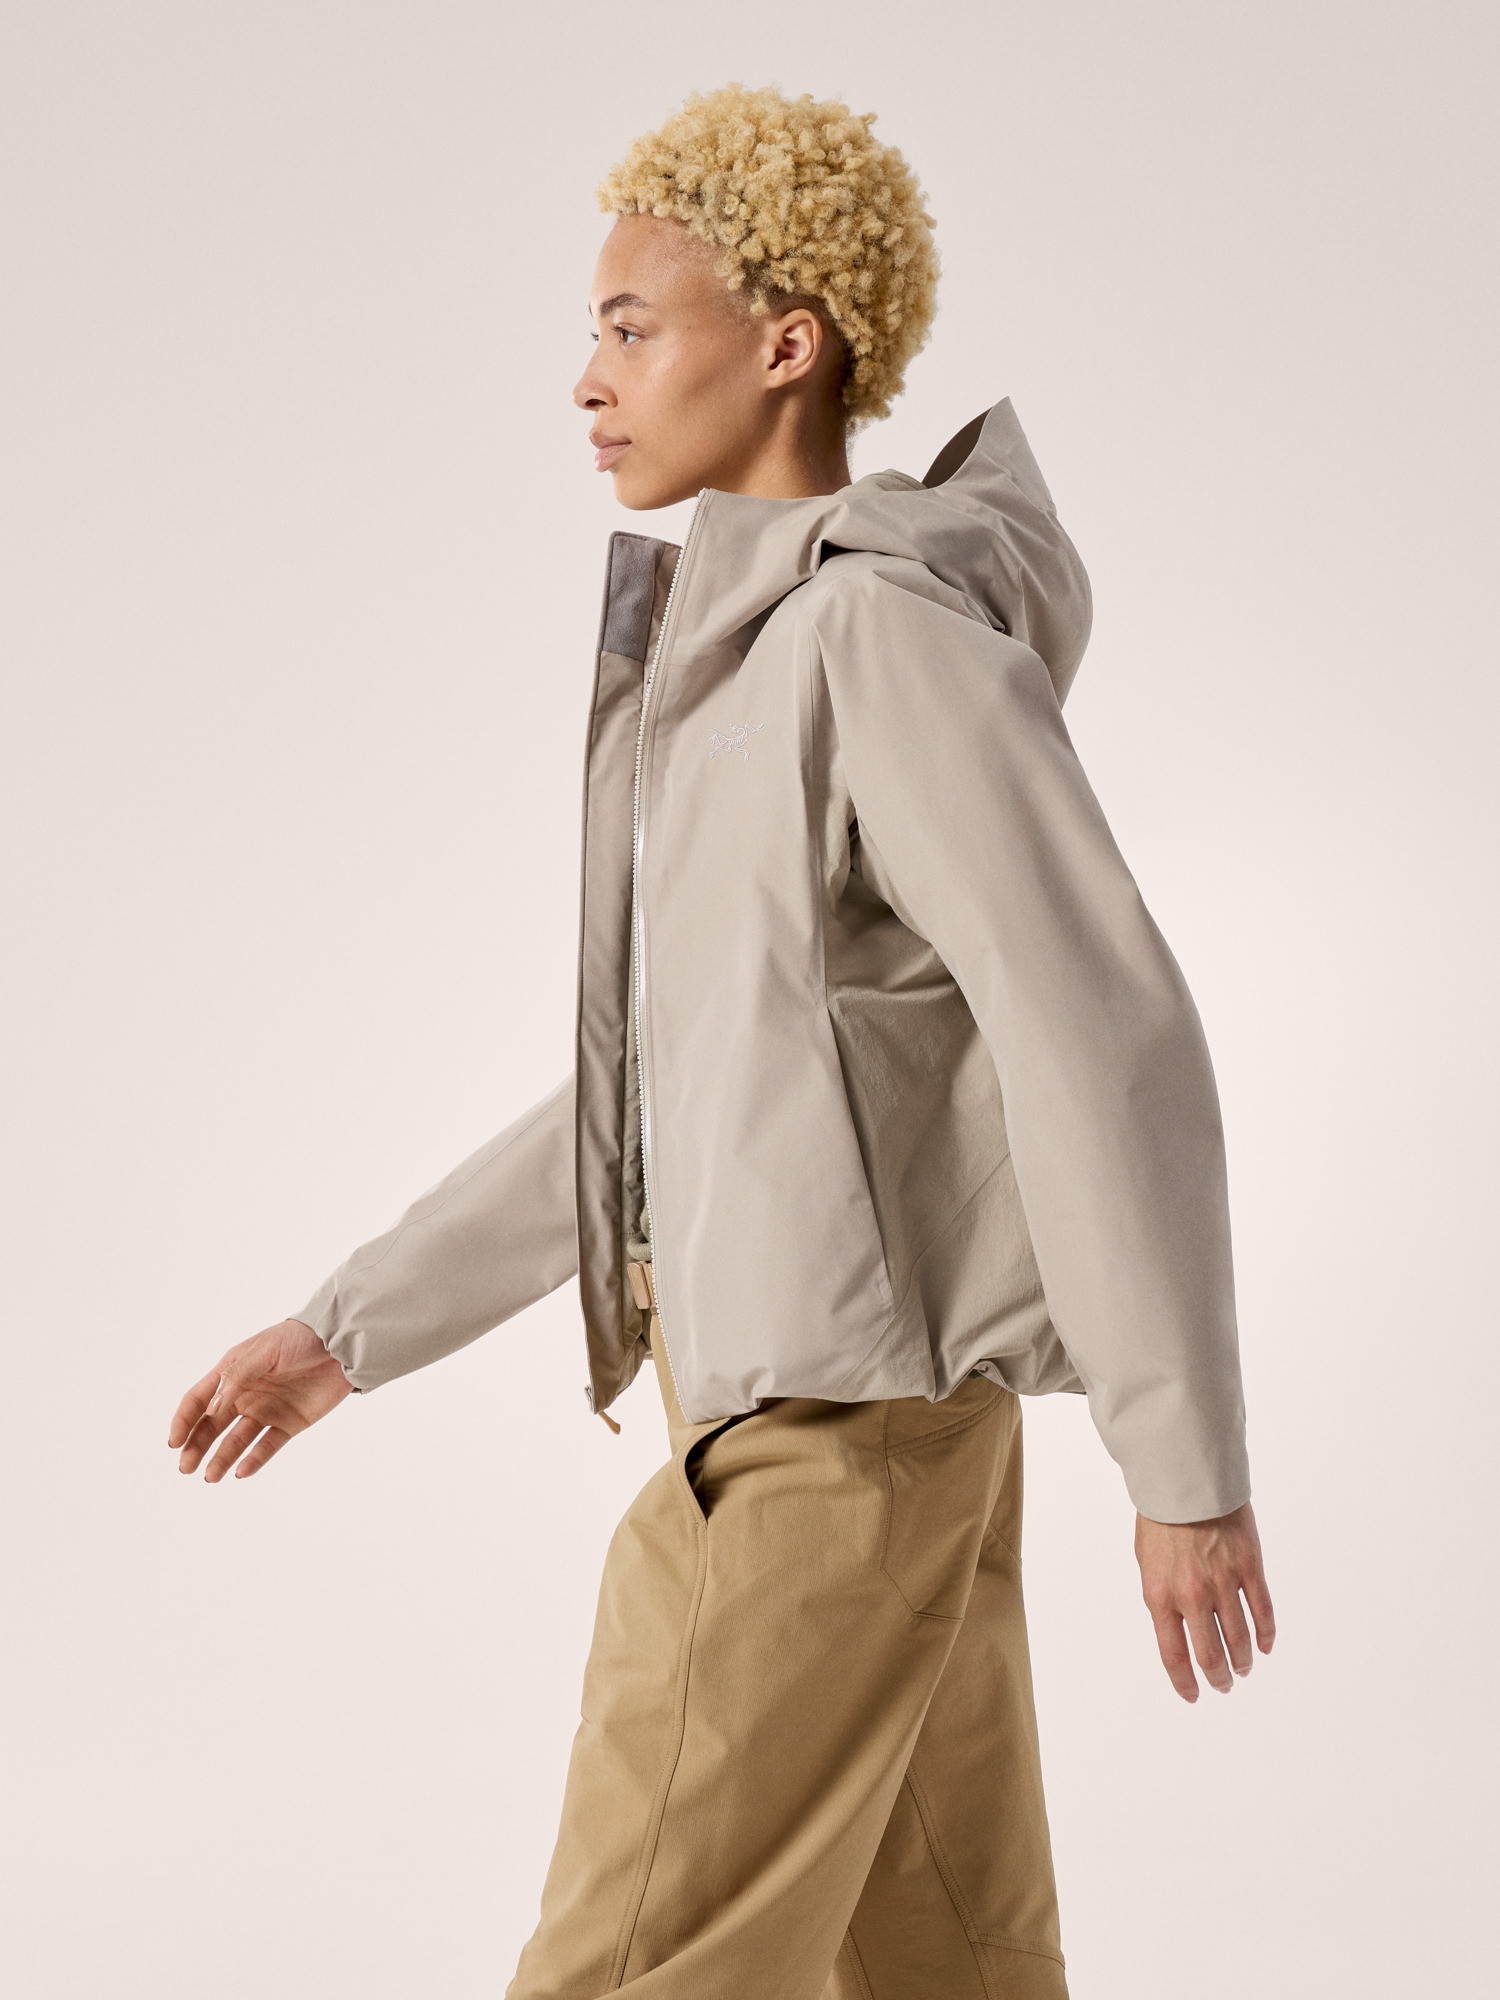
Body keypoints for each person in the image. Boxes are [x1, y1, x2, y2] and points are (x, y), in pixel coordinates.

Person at [168, 84, 1275, 1999]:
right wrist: (353, 1326)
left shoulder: (873, 640)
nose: (586, 379)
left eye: (628, 326)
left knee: (627, 1967)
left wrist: (1181, 1460)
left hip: (823, 1459)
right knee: (950, 1968)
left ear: (786, 346)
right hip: (875, 1432)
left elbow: (1102, 1029)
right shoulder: (743, 668)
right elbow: (673, 1093)